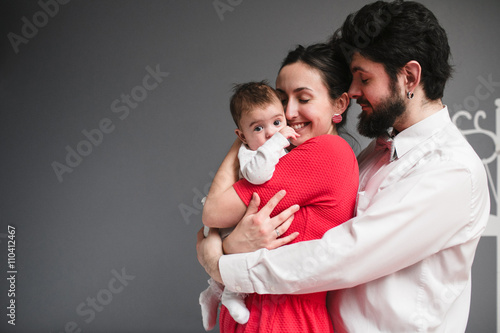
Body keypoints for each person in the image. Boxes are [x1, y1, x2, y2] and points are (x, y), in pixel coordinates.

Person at [196, 1, 490, 332]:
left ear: (409, 76)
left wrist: (224, 265)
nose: (352, 91)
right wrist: (231, 248)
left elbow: (343, 256)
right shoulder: (374, 153)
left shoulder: (452, 170)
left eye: (363, 78)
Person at [202, 43, 358, 332]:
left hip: (284, 320)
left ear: (339, 104)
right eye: (281, 98)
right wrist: (224, 247)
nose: (288, 112)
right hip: (259, 316)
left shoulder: (326, 151)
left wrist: (247, 137)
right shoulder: (286, 157)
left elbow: (212, 212)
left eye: (304, 98)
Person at [199, 81, 299, 330]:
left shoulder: (276, 146)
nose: (270, 133)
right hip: (232, 222)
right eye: (258, 128)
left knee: (244, 253)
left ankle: (212, 294)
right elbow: (258, 176)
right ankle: (231, 296)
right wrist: (278, 142)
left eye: (277, 123)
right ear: (242, 136)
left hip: (243, 218)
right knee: (241, 257)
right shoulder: (250, 153)